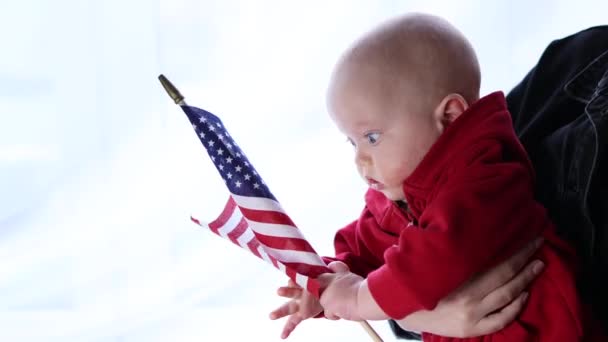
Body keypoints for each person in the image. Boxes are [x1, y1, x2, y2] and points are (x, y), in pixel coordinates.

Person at [270, 13, 605, 341]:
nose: (360, 159)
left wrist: (356, 299)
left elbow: (431, 262)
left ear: (450, 117)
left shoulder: (484, 181)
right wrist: (329, 280)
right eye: (351, 141)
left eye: (372, 138)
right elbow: (363, 251)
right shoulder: (400, 195)